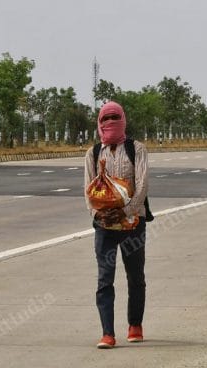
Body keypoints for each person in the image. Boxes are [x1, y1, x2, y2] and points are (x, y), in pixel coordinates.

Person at [84, 101, 148, 349]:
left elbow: (142, 185)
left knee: (135, 276)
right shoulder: (93, 153)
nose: (109, 122)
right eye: (105, 118)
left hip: (133, 223)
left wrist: (126, 211)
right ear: (99, 123)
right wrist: (98, 214)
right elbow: (88, 189)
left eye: (114, 117)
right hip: (104, 226)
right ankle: (107, 333)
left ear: (123, 120)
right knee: (104, 279)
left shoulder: (137, 149)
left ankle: (135, 324)